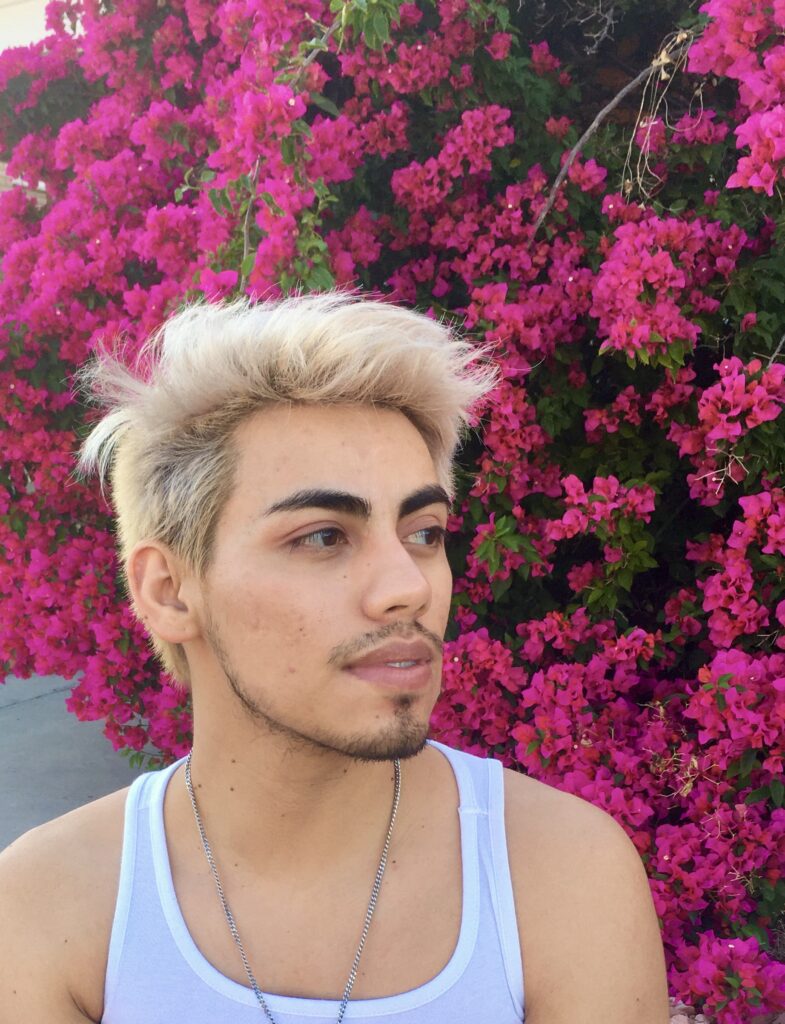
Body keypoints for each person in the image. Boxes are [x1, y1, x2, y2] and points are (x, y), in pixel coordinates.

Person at [0, 292, 669, 1023]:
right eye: (322, 536)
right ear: (169, 591)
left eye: (423, 531)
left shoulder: (562, 878)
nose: (406, 587)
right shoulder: (49, 911)